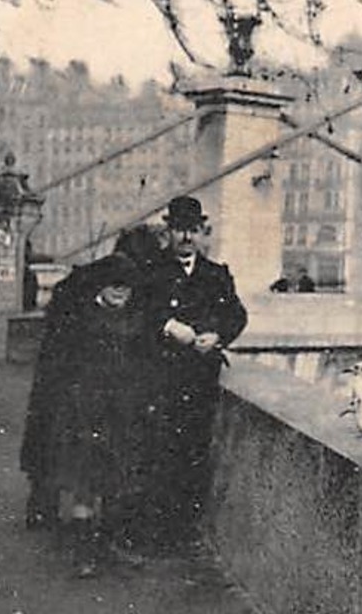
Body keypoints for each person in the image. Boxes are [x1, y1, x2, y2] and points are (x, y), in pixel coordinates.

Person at [20, 229, 163, 576]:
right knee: (84, 485)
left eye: (126, 287)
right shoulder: (81, 319)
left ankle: (107, 547)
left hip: (120, 412)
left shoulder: (134, 320)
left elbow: (144, 366)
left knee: (115, 483)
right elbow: (64, 367)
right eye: (115, 285)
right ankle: (84, 553)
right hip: (84, 412)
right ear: (101, 285)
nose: (121, 292)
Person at [134, 195, 248, 553]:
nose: (187, 237)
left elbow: (236, 315)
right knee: (157, 454)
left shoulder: (217, 275)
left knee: (194, 455)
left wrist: (218, 336)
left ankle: (186, 533)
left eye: (193, 230)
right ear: (170, 231)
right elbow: (137, 314)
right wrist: (168, 326)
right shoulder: (150, 272)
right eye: (181, 229)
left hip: (200, 381)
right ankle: (156, 534)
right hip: (160, 380)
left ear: (203, 233)